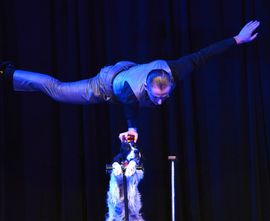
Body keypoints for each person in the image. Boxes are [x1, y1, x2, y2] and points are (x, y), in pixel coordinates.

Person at [0, 20, 260, 142]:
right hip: (106, 85)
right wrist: (133, 129)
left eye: (164, 96)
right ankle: (9, 74)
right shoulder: (130, 92)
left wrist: (237, 39)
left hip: (128, 68)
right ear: (146, 87)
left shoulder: (175, 70)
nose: (160, 102)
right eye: (156, 97)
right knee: (58, 90)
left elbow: (203, 55)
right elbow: (129, 109)